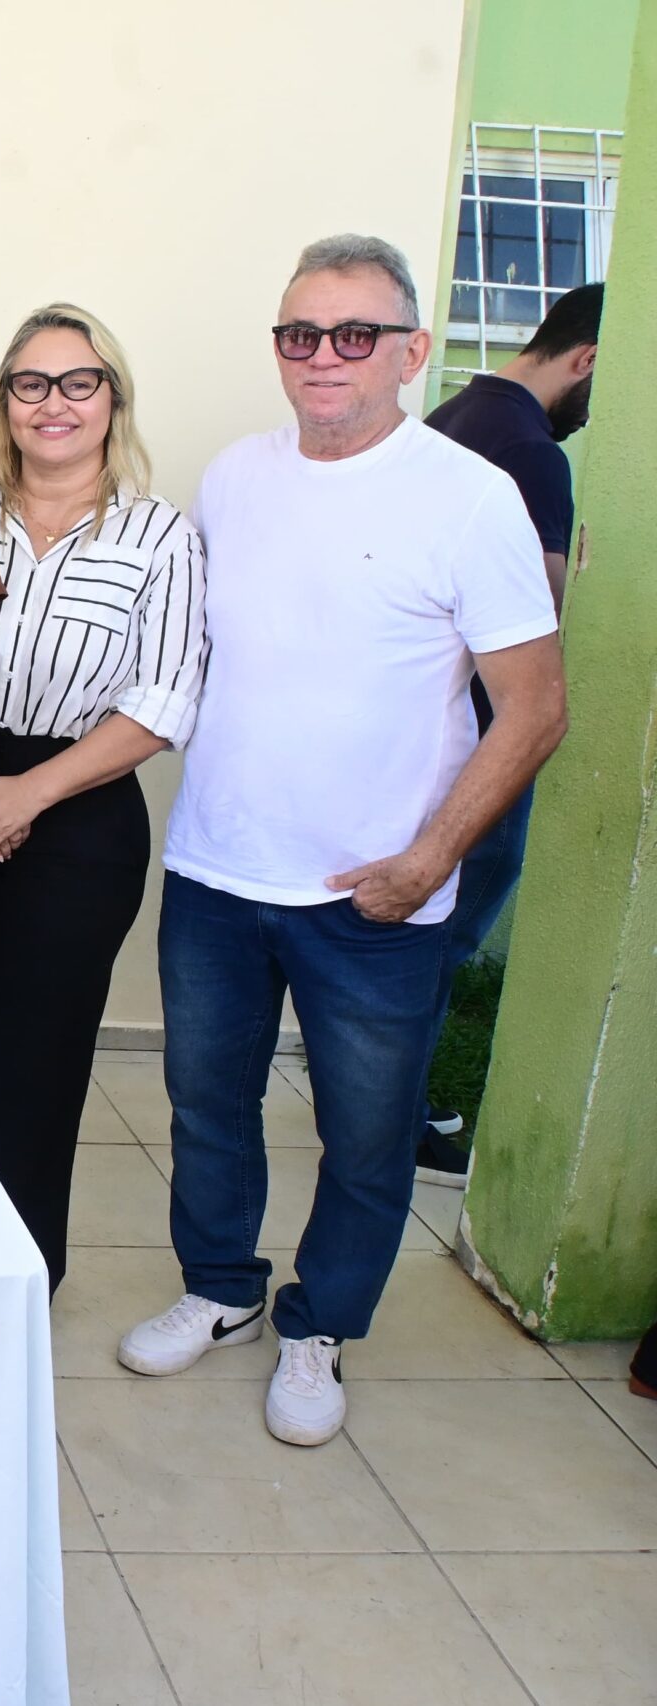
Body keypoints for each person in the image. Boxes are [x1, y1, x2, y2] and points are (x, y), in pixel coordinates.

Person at [120, 235, 567, 1447]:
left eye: (354, 333)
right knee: (205, 1103)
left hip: (376, 890)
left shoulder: (470, 496)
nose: (324, 355)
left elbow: (535, 708)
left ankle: (319, 1326)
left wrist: (431, 858)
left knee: (365, 1135)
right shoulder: (234, 476)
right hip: (217, 869)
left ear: (411, 352)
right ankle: (222, 1288)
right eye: (300, 333)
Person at [0, 305, 206, 1292]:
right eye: (30, 383)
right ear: (5, 401)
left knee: (40, 1052)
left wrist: (27, 794)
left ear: (113, 397)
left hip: (83, 807)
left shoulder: (159, 536)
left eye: (78, 382)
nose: (53, 403)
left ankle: (17, 1275)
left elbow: (164, 700)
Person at [412, 281, 601, 1183]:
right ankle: (397, 1115)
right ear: (587, 359)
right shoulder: (530, 450)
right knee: (442, 940)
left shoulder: (451, 418)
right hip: (487, 738)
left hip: (424, 736)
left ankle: (382, 1098)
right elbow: (542, 607)